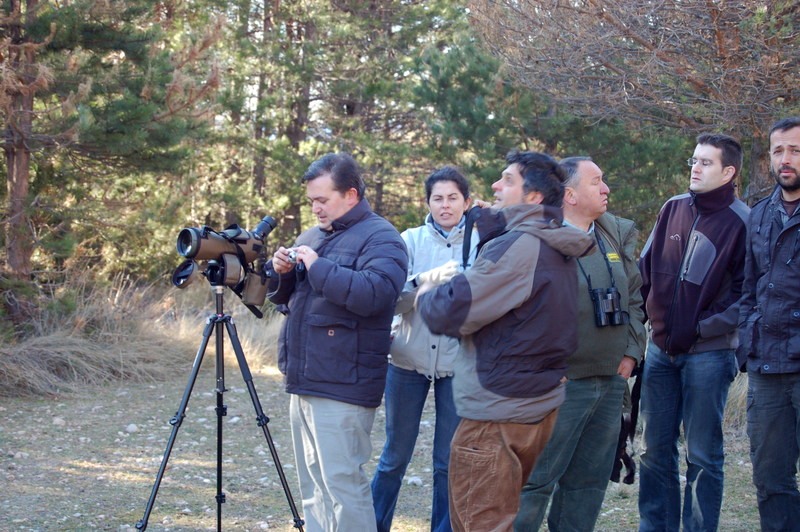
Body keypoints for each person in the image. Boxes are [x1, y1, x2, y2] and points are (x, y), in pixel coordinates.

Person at [416, 150, 595, 531]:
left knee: (480, 523)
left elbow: (452, 310)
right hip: (534, 404)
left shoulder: (520, 246)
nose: (495, 186)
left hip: (497, 411)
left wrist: (424, 294)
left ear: (532, 197)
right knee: (499, 515)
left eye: (507, 180)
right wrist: (495, 232)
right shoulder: (553, 241)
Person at [267, 152, 408, 532]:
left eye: (322, 200)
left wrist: (316, 265)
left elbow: (375, 294)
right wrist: (280, 273)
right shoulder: (312, 236)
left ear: (351, 194)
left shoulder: (383, 237)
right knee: (312, 485)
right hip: (305, 377)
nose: (314, 208)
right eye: (311, 200)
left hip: (345, 384)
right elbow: (288, 299)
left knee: (344, 486)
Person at [514, 156, 646, 531]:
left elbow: (635, 299)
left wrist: (631, 353)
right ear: (569, 194)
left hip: (609, 381)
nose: (606, 189)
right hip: (560, 385)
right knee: (536, 482)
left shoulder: (614, 233)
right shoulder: (538, 238)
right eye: (596, 182)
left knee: (587, 485)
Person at [638, 133, 749, 531]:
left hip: (710, 354)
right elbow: (645, 269)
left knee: (702, 456)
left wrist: (702, 328)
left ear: (729, 171)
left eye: (705, 162)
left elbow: (746, 295)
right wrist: (647, 321)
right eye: (694, 160)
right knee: (654, 451)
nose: (695, 168)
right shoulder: (673, 208)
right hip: (660, 351)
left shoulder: (743, 221)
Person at [371, 166, 478, 532]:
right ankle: (374, 524)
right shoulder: (409, 240)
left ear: (467, 201)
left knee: (448, 463)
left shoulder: (482, 242)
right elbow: (391, 301)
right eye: (438, 198)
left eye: (453, 198)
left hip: (458, 364)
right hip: (406, 360)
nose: (445, 206)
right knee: (393, 457)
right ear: (427, 202)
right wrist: (421, 283)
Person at [738, 116, 800, 532]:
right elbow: (748, 288)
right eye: (778, 150)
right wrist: (747, 339)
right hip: (767, 366)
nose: (786, 158)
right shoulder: (759, 214)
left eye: (795, 149)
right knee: (771, 479)